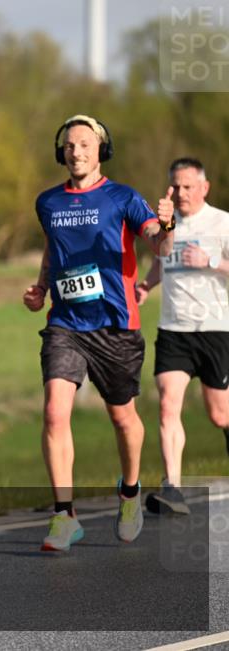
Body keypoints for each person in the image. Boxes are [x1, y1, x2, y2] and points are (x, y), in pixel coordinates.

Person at [23, 114, 174, 552]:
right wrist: (41, 288)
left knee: (122, 417)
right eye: (70, 145)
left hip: (115, 324)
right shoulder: (47, 203)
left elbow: (159, 245)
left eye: (85, 144)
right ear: (61, 151)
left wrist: (167, 225)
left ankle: (129, 492)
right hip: (65, 324)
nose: (77, 152)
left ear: (100, 149)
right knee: (54, 412)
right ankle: (63, 516)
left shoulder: (123, 197)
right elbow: (54, 249)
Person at [134, 158, 229, 515]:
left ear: (204, 187)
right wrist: (146, 286)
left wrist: (209, 261)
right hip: (173, 330)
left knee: (221, 415)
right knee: (167, 403)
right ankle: (172, 487)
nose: (182, 193)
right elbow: (162, 260)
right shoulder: (166, 224)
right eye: (176, 186)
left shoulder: (222, 223)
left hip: (215, 330)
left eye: (189, 186)